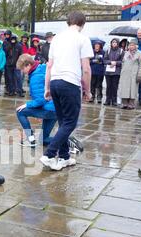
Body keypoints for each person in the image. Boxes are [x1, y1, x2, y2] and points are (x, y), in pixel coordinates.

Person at [40, 11, 93, 171]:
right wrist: (88, 90)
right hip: (70, 83)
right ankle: (49, 154)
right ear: (83, 24)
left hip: (55, 82)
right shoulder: (82, 39)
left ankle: (64, 157)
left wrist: (47, 87)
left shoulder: (56, 39)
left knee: (63, 122)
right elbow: (86, 69)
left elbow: (49, 65)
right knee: (70, 122)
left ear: (68, 22)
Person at [16, 54, 57, 147]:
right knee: (44, 140)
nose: (22, 72)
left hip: (49, 109)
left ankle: (31, 140)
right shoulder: (42, 69)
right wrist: (39, 112)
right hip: (55, 109)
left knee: (20, 112)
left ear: (28, 65)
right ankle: (66, 141)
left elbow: (41, 100)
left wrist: (27, 105)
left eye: (23, 69)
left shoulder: (35, 77)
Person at [118, 38, 141, 110]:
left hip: (134, 74)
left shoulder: (139, 53)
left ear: (136, 46)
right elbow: (122, 63)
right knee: (124, 89)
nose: (131, 46)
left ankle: (131, 104)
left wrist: (139, 75)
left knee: (133, 89)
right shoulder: (126, 53)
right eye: (130, 45)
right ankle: (124, 103)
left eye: (133, 45)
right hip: (125, 74)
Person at [103, 38, 124, 107]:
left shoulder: (121, 51)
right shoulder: (108, 50)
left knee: (115, 86)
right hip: (108, 72)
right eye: (113, 42)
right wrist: (110, 62)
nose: (114, 44)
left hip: (116, 72)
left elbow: (123, 61)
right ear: (111, 43)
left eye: (115, 42)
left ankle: (114, 100)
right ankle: (107, 100)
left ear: (118, 43)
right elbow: (104, 60)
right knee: (108, 86)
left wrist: (116, 63)